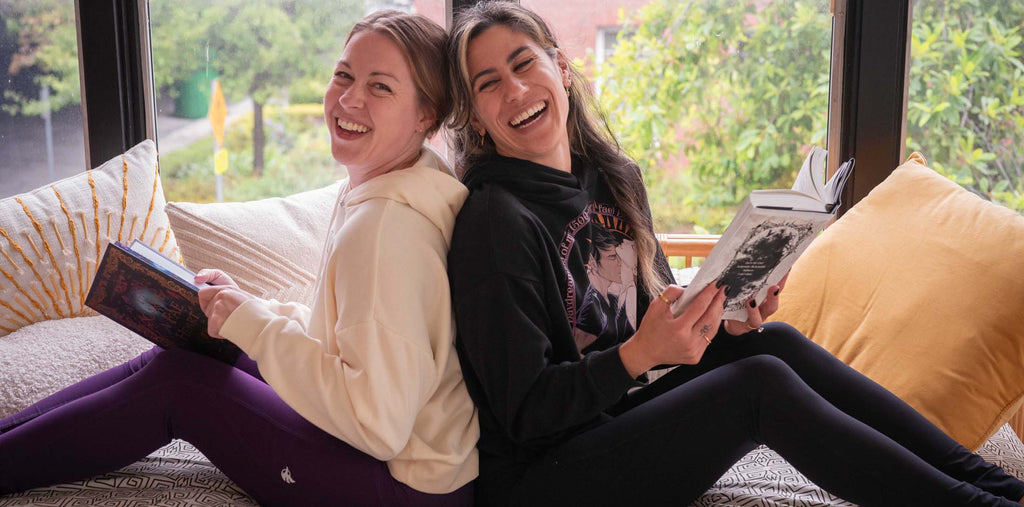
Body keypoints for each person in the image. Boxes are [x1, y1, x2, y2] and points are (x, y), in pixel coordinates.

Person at [443, 2, 1024, 506]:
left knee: (775, 343)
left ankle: (998, 488)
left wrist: (727, 320)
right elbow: (526, 412)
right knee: (757, 389)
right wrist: (638, 355)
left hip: (609, 423)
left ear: (560, 70)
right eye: (487, 83)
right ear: (473, 114)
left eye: (524, 64)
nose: (515, 90)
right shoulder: (494, 222)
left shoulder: (610, 180)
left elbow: (662, 342)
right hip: (544, 477)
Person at [0, 10, 477, 506]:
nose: (350, 98)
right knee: (195, 343)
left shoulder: (385, 231)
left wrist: (257, 327)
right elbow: (343, 337)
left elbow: (378, 424)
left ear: (426, 115)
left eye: (381, 87)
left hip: (403, 487)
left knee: (180, 385)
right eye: (344, 75)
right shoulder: (391, 187)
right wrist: (248, 309)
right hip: (405, 466)